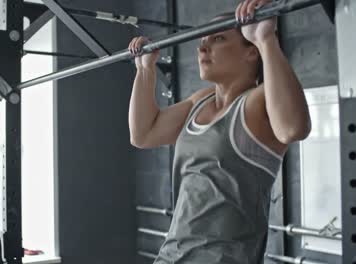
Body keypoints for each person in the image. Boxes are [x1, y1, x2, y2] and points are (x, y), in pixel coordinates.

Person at [128, 0, 311, 263]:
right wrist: (145, 70)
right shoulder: (199, 101)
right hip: (171, 256)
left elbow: (293, 129)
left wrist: (265, 39)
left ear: (250, 52)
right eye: (202, 40)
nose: (202, 46)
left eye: (218, 38)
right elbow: (143, 134)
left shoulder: (256, 101)